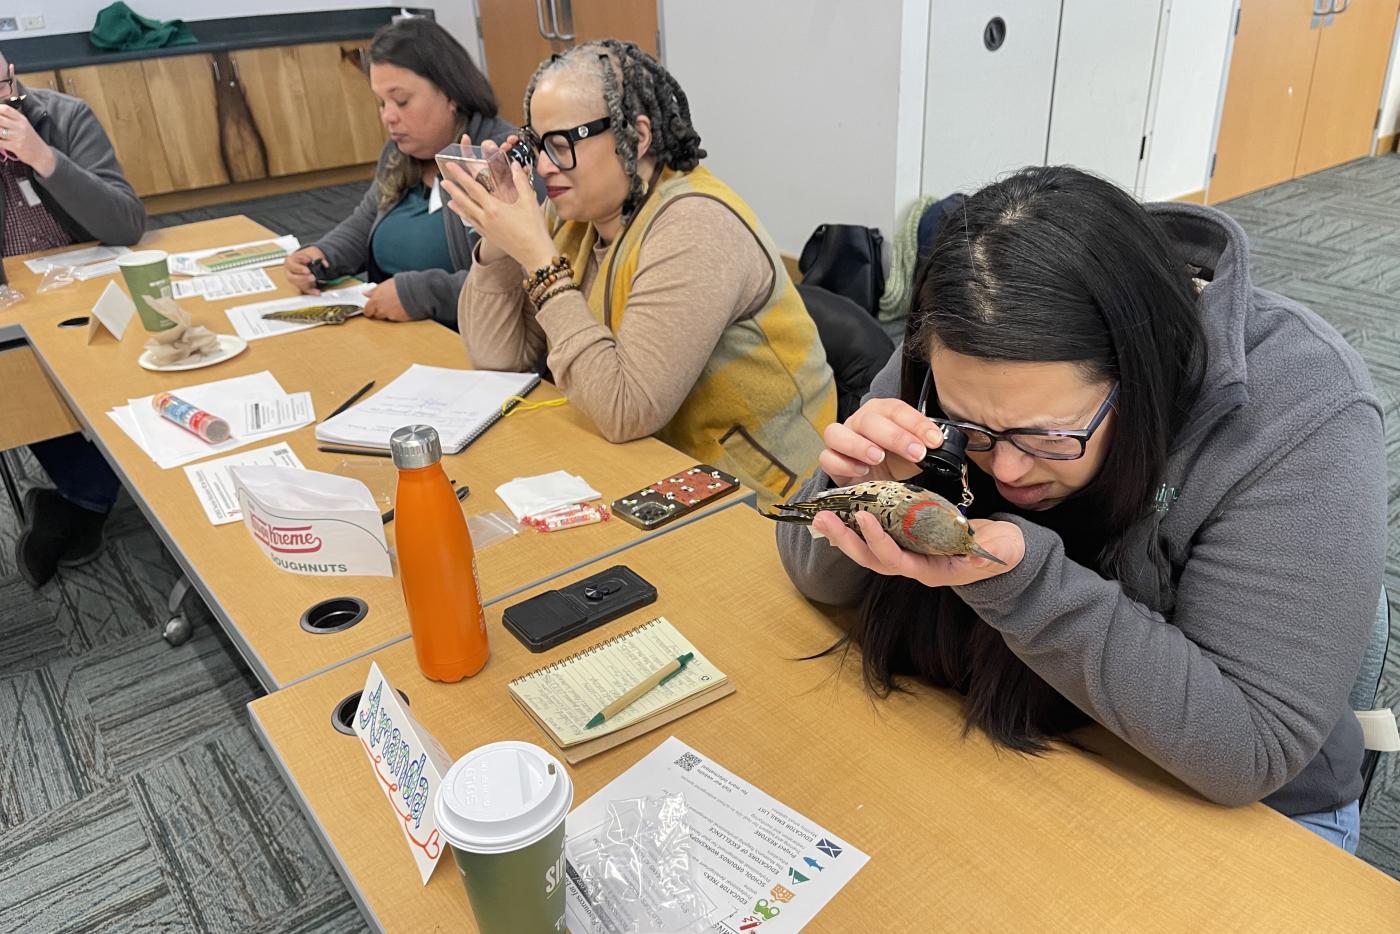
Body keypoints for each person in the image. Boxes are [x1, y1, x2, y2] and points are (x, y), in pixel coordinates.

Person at [776, 166, 1386, 852]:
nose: (1003, 469)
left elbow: (1249, 746)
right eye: (973, 431)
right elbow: (814, 576)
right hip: (1005, 738)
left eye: (1047, 437)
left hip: (1241, 807)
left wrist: (1020, 582)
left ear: (1141, 374)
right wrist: (854, 488)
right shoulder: (966, 335)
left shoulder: (1299, 407)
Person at [443, 40, 835, 506]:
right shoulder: (572, 213)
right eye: (536, 144)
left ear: (637, 135)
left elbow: (626, 410)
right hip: (654, 471)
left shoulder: (696, 226)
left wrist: (539, 263)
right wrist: (500, 233)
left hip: (765, 502)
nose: (544, 165)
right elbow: (496, 359)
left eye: (562, 143)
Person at [0, 53, 147, 587]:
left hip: (99, 299)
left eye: (2, 82)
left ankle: (83, 501)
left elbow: (127, 224)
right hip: (18, 317)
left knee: (150, 351)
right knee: (16, 377)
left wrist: (45, 158)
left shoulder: (65, 117)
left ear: (12, 69)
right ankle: (90, 493)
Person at [283, 17, 516, 328]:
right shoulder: (401, 153)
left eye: (402, 101)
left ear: (451, 94)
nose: (388, 117)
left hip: (467, 337)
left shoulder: (497, 158)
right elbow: (367, 219)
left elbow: (523, 275)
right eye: (381, 102)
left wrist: (421, 295)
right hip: (393, 328)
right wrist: (322, 254)